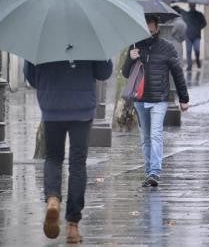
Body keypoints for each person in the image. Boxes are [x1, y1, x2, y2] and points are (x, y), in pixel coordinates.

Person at [24, 58, 113, 243]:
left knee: (53, 157)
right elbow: (103, 73)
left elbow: (31, 77)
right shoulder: (90, 35)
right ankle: (72, 225)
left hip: (52, 105)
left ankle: (53, 199)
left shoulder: (42, 33)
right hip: (81, 108)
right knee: (78, 163)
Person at [122, 15, 190, 188]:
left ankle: (154, 172)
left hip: (159, 98)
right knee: (145, 137)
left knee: (155, 134)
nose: (148, 29)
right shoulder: (135, 46)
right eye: (144, 25)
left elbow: (177, 73)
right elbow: (125, 73)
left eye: (150, 25)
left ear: (157, 27)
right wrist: (130, 57)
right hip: (140, 98)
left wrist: (184, 98)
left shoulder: (167, 48)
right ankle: (148, 172)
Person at [182, 3, 207, 71]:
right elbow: (184, 23)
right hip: (188, 35)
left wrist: (199, 28)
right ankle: (189, 66)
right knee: (189, 51)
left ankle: (197, 60)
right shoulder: (187, 14)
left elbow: (204, 23)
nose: (192, 6)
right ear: (190, 6)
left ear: (194, 6)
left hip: (196, 36)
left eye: (193, 5)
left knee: (196, 50)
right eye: (191, 5)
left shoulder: (199, 14)